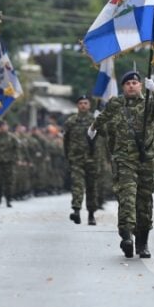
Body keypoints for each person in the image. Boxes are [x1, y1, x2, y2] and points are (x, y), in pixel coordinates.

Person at [89, 71, 154, 259]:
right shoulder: (116, 103)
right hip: (124, 159)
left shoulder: (149, 102)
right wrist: (93, 128)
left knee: (144, 200)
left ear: (141, 86)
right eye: (128, 83)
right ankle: (126, 236)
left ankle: (143, 241)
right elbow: (103, 117)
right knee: (127, 196)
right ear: (123, 87)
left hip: (147, 159)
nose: (131, 86)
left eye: (135, 82)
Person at [63, 95, 99, 225]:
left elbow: (101, 140)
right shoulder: (70, 122)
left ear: (89, 105)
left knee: (91, 187)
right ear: (77, 106)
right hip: (76, 159)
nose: (83, 105)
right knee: (77, 185)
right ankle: (76, 211)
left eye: (85, 103)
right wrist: (68, 157)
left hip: (92, 159)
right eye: (81, 103)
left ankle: (91, 214)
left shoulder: (95, 121)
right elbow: (66, 141)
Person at [0, 120, 19, 208]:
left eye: (5, 126)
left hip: (9, 162)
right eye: (2, 126)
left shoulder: (12, 137)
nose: (4, 128)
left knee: (9, 182)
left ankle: (8, 199)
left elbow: (17, 149)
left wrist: (16, 159)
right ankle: (0, 194)